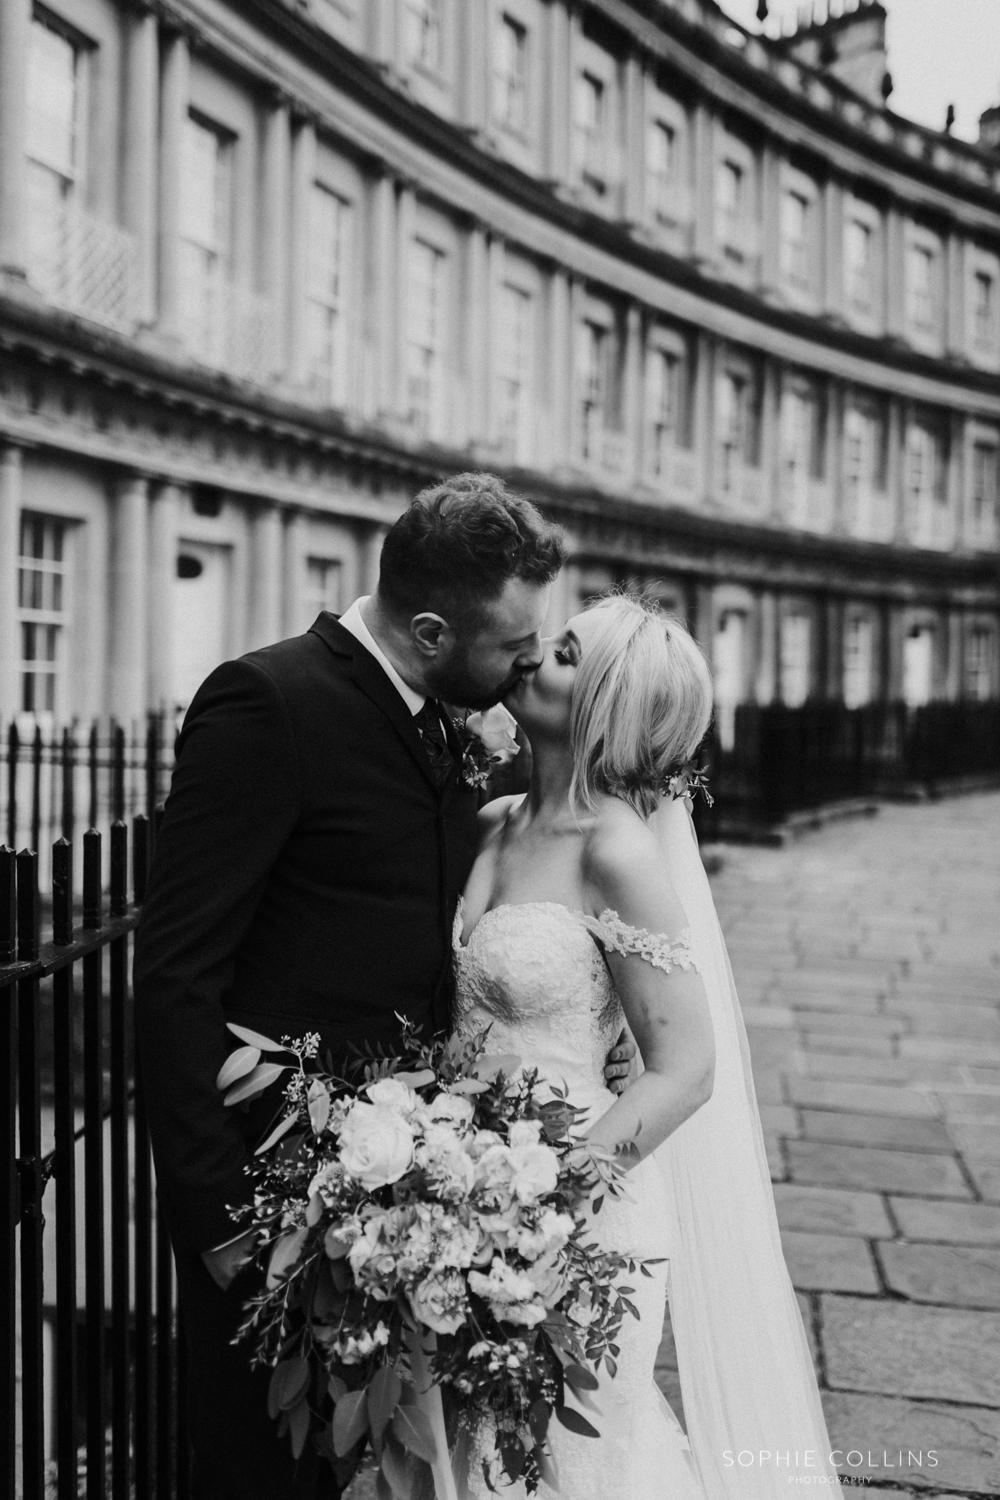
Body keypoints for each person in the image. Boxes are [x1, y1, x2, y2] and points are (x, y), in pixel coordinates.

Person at [132, 473, 634, 1500]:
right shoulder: (268, 702)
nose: (529, 662)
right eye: (512, 646)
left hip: (417, 1203)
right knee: (266, 1475)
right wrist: (224, 1225)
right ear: (433, 629)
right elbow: (175, 975)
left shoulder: (449, 718)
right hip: (271, 1199)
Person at [452, 593, 844, 1500]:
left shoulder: (618, 852)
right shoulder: (492, 821)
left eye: (565, 654)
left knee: (568, 1461)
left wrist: (543, 1204)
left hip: (579, 1216)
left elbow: (687, 1066)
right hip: (464, 1193)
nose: (534, 654)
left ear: (604, 705)